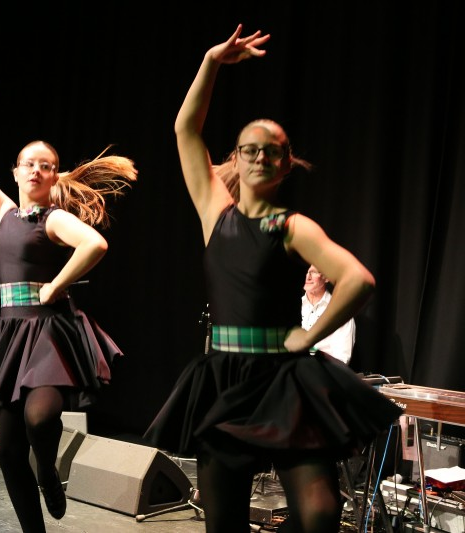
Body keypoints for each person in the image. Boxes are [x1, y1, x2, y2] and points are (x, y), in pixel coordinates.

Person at [142, 25, 403, 533]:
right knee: (224, 520)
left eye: (273, 151)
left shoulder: (292, 226)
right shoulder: (215, 211)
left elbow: (358, 280)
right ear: (236, 158)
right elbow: (185, 129)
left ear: (286, 166)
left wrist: (308, 334)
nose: (261, 156)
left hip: (284, 381)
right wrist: (211, 62)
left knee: (320, 514)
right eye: (251, 149)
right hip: (223, 377)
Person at [0, 68, 138, 532]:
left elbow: (95, 245)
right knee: (8, 447)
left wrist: (55, 287)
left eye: (47, 165)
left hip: (49, 332)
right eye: (29, 163)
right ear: (15, 172)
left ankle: (49, 469)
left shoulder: (52, 219)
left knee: (41, 417)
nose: (37, 170)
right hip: (11, 332)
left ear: (55, 177)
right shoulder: (3, 213)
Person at [302, 264, 356, 365]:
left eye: (313, 272)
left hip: (323, 375)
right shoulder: (292, 306)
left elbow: (342, 359)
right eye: (306, 272)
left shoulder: (340, 311)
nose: (308, 277)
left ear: (326, 277)